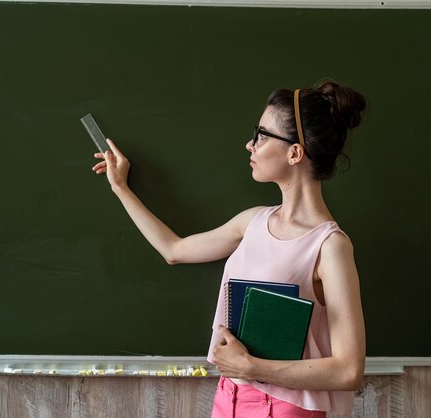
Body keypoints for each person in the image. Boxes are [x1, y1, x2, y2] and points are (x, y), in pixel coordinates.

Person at [92, 79, 366, 417]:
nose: (250, 145)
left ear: (295, 153)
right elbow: (174, 249)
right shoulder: (252, 222)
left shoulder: (330, 246)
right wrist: (121, 188)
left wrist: (252, 367)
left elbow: (349, 370)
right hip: (229, 397)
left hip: (284, 407)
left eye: (262, 136)